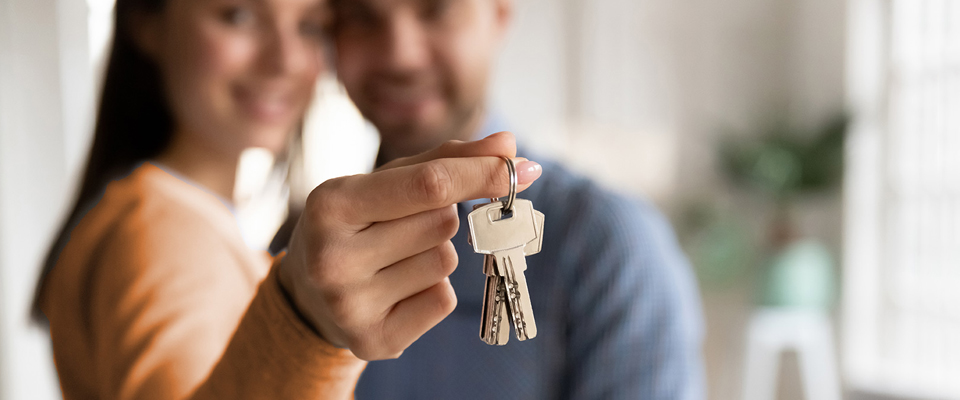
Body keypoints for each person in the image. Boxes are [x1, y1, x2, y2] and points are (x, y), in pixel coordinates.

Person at [33, 0, 543, 398]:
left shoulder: (179, 217)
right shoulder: (156, 232)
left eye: (310, 26)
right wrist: (304, 329)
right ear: (146, 20)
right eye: (239, 14)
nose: (286, 60)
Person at [325, 0, 707, 398]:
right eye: (360, 17)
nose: (399, 55)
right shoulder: (302, 250)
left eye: (436, 10)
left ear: (500, 15)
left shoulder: (611, 244)